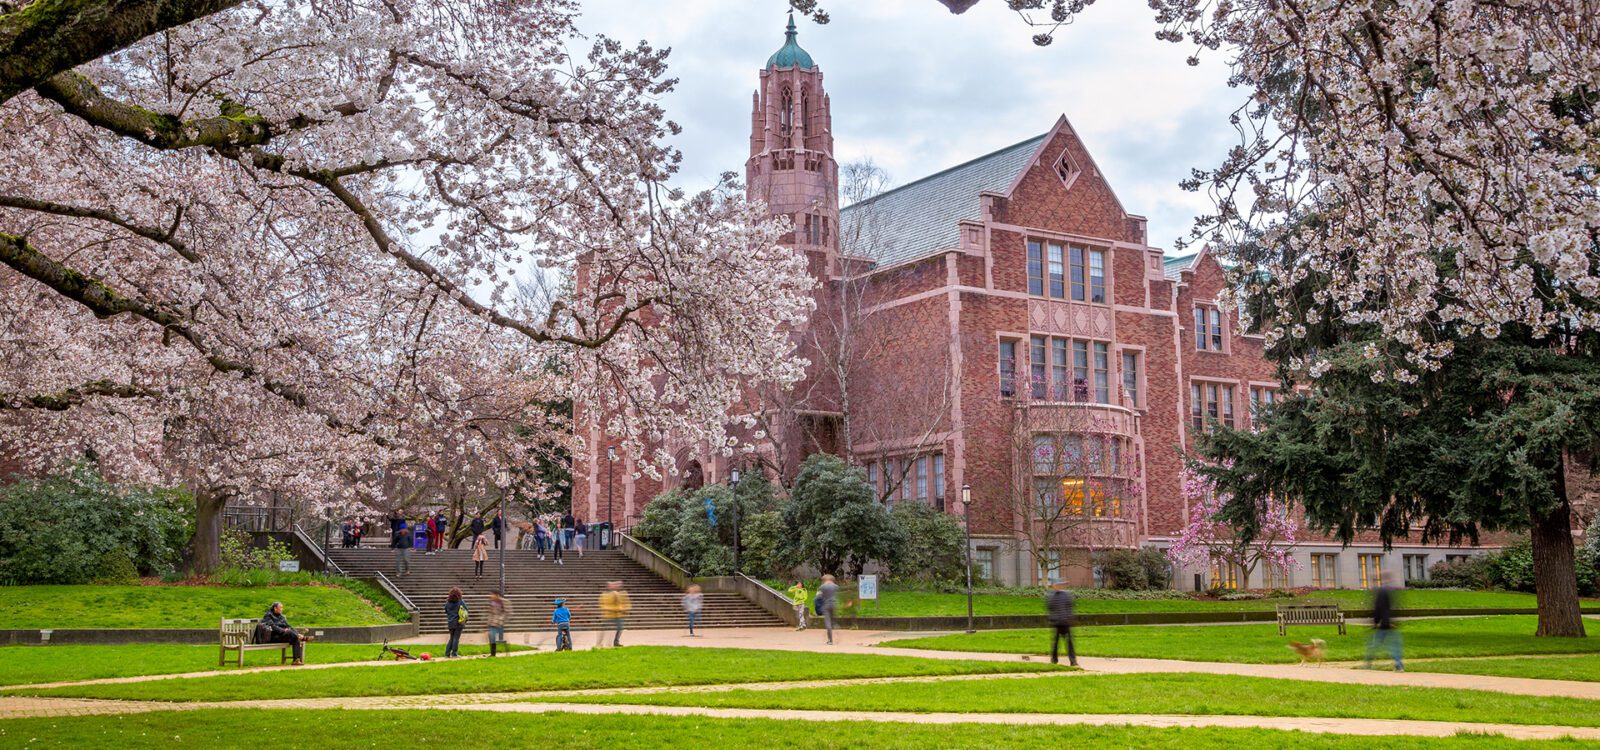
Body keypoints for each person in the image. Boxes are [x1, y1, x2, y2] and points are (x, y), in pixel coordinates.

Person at [1365, 572, 1403, 672]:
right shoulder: (1390, 590)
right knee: (1394, 645)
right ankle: (1398, 665)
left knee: (1376, 644)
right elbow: (1392, 607)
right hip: (1389, 623)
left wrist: (1375, 621)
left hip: (1384, 623)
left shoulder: (1381, 591)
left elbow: (1378, 607)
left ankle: (1368, 663)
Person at [260, 601, 312, 665]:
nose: (282, 609)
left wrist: (297, 634)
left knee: (295, 638)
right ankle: (303, 638)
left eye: (282, 607)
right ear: (275, 608)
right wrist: (284, 630)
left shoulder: (281, 617)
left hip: (283, 636)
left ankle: (296, 660)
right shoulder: (268, 616)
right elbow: (273, 627)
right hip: (273, 637)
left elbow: (289, 626)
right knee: (290, 633)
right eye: (280, 607)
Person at [1046, 588, 1078, 666]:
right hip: (1058, 622)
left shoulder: (1064, 595)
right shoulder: (1053, 595)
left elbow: (1069, 607)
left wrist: (1069, 617)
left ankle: (1072, 660)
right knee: (1057, 643)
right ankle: (1055, 659)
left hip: (1064, 622)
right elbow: (1050, 608)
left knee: (1068, 643)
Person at [598, 580, 631, 648]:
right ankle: (600, 643)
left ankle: (615, 642)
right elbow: (602, 605)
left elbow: (624, 603)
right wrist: (616, 609)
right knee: (604, 629)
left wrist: (625, 609)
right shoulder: (605, 594)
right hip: (608, 615)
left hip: (618, 615)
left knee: (619, 628)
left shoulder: (621, 593)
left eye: (618, 584)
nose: (616, 586)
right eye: (614, 584)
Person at [444, 587, 467, 658]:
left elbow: (446, 611)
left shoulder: (448, 602)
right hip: (458, 622)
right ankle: (454, 653)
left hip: (450, 622)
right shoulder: (460, 602)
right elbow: (466, 610)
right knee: (456, 638)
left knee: (451, 638)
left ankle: (447, 653)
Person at [816, 574, 839, 645]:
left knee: (828, 622)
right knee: (832, 619)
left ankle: (830, 640)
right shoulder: (836, 586)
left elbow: (818, 597)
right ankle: (834, 624)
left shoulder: (822, 587)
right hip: (834, 604)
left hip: (826, 605)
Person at [487, 592, 510, 656]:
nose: (491, 596)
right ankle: (493, 653)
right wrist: (489, 621)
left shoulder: (504, 602)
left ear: (497, 595)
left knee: (496, 638)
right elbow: (490, 612)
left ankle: (506, 652)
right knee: (491, 637)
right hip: (492, 623)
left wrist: (501, 619)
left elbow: (507, 612)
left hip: (499, 623)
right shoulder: (492, 602)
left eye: (492, 595)